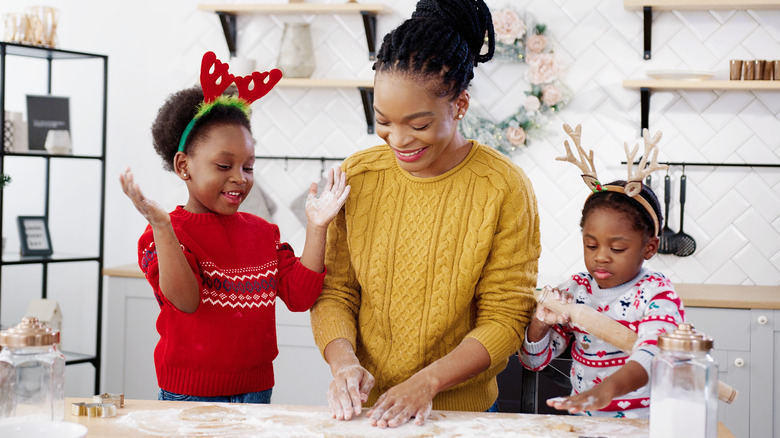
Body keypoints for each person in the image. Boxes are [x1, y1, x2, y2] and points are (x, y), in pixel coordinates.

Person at [309, 0, 541, 429]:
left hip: (460, 415)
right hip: (366, 411)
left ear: (461, 104)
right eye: (383, 121)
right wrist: (342, 363)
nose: (397, 140)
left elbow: (506, 318)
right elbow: (335, 290)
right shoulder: (359, 175)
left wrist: (427, 383)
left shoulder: (503, 187)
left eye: (417, 124)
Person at [119, 52, 350, 404]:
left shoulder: (262, 232)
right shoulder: (161, 235)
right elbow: (186, 300)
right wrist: (163, 226)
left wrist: (317, 227)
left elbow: (301, 298)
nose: (239, 178)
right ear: (184, 166)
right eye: (224, 165)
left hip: (257, 391)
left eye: (249, 167)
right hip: (189, 394)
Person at [519, 126, 684, 418]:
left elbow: (653, 354)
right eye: (591, 245)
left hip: (642, 426)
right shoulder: (576, 291)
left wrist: (606, 390)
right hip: (585, 424)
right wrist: (540, 324)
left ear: (649, 247)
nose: (601, 257)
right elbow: (534, 362)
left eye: (617, 248)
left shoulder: (656, 294)